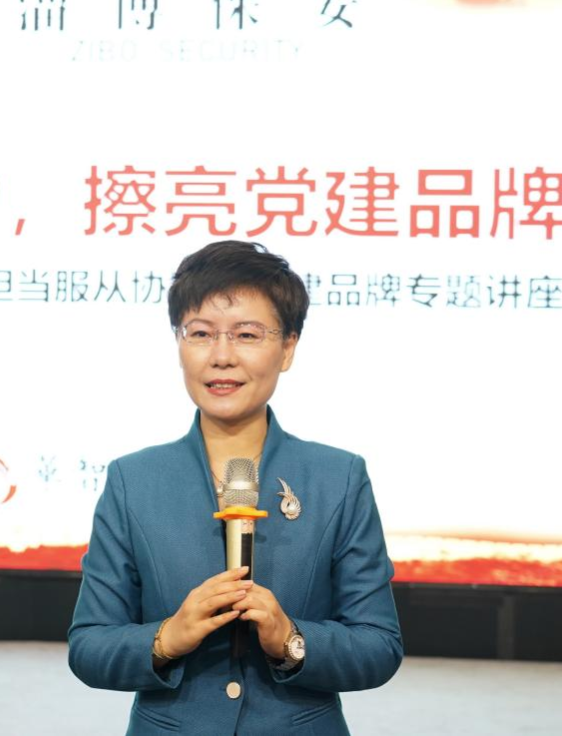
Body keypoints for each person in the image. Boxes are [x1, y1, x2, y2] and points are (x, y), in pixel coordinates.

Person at [68, 241, 402, 735]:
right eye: (201, 334)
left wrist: (289, 638)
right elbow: (88, 646)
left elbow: (379, 645)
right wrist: (167, 637)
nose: (221, 357)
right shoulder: (133, 480)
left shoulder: (338, 477)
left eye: (247, 334)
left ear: (288, 347)